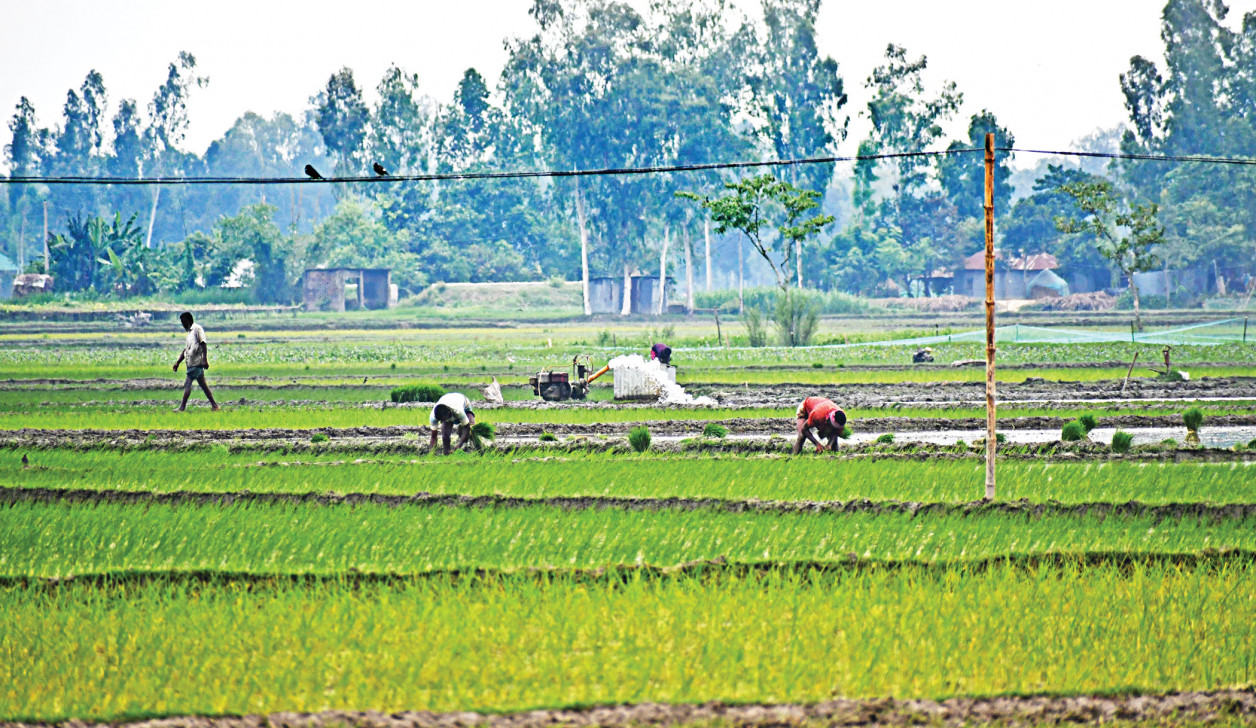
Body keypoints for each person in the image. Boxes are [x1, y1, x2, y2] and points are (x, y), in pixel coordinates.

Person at [172, 311, 219, 412]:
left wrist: (205, 360)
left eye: (183, 322)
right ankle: (215, 405)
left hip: (196, 364)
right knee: (204, 386)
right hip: (191, 363)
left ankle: (182, 407)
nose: (182, 324)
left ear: (187, 320)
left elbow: (203, 344)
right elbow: (186, 350)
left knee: (188, 383)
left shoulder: (197, 329)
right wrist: (178, 362)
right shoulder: (189, 333)